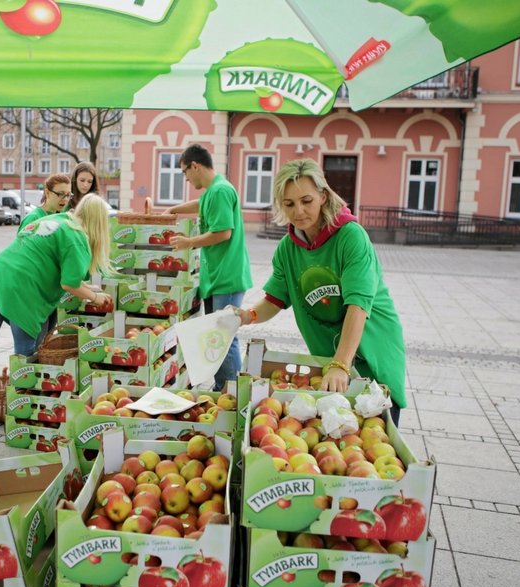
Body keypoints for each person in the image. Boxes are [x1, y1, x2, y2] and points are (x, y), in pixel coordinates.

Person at [234, 159, 406, 424]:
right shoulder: (287, 249)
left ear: (323, 196)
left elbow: (358, 305)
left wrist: (341, 364)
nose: (299, 211)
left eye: (306, 200)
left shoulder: (351, 237)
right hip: (330, 362)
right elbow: (275, 299)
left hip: (372, 347)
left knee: (378, 427)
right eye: (289, 204)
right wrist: (247, 316)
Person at [0, 194, 113, 429]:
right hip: (23, 291)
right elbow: (69, 284)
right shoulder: (78, 238)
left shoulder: (58, 220)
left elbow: (55, 266)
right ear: (99, 223)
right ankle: (23, 419)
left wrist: (86, 288)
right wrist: (95, 296)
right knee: (26, 357)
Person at [164, 143, 252, 390]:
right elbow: (200, 204)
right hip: (216, 276)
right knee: (216, 336)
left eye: (185, 172)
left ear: (195, 165)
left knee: (224, 336)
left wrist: (189, 242)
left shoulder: (221, 191)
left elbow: (223, 233)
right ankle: (222, 386)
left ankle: (231, 390)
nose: (186, 178)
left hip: (227, 276)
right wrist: (172, 210)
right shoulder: (214, 190)